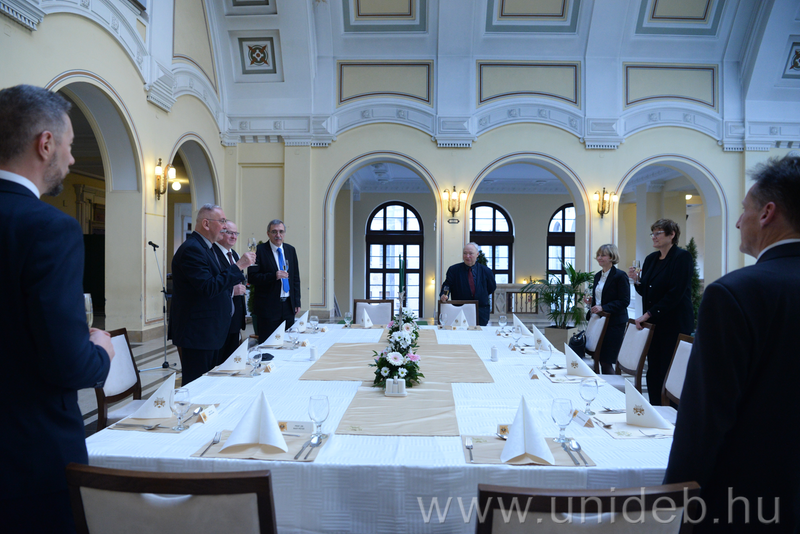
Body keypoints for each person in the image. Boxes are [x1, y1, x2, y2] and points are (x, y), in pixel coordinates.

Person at [0, 84, 115, 533]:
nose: (71, 158)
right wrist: (101, 351)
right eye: (68, 145)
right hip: (26, 460)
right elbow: (68, 364)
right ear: (45, 143)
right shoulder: (48, 228)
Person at [664, 155, 800, 531]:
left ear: (767, 213)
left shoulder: (735, 293)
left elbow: (704, 419)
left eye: (744, 209)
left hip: (749, 505)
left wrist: (671, 505)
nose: (739, 221)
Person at [169, 204, 255, 384]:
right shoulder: (193, 249)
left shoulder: (206, 247)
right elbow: (208, 287)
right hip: (198, 333)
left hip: (210, 331)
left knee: (211, 384)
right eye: (222, 221)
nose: (224, 226)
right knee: (198, 385)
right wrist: (238, 266)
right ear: (206, 224)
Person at [628, 218, 693, 405]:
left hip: (674, 323)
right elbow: (647, 292)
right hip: (655, 323)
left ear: (672, 235)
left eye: (658, 233)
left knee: (670, 371)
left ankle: (671, 412)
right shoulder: (651, 259)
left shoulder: (682, 257)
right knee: (654, 369)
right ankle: (655, 408)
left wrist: (647, 314)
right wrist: (636, 281)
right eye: (653, 233)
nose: (654, 237)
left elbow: (675, 294)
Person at [249, 219, 301, 343]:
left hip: (288, 306)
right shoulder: (258, 250)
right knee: (269, 344)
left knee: (288, 342)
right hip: (268, 307)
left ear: (284, 233)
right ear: (268, 233)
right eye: (274, 232)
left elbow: (295, 278)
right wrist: (274, 276)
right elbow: (252, 277)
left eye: (281, 231)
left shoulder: (290, 250)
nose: (278, 235)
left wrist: (296, 302)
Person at [585, 244, 630, 374]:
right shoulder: (597, 276)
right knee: (597, 357)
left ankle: (610, 386)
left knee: (606, 360)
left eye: (603, 255)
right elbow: (600, 299)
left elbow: (624, 301)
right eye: (598, 255)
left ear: (612, 257)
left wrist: (603, 307)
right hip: (599, 321)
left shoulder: (620, 276)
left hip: (614, 323)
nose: (599, 258)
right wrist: (591, 303)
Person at [214, 221, 247, 365]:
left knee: (232, 360)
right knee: (220, 362)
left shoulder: (234, 254)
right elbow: (214, 283)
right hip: (221, 317)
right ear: (221, 232)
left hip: (235, 317)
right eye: (230, 233)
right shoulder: (213, 253)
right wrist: (232, 291)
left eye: (236, 233)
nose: (234, 236)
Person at [440, 242, 497, 326]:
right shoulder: (454, 270)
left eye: (470, 253)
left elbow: (492, 287)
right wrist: (444, 294)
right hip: (459, 310)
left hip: (481, 312)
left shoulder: (486, 271)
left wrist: (480, 293)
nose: (467, 256)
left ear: (477, 254)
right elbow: (447, 285)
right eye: (465, 253)